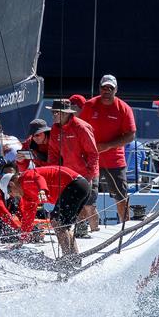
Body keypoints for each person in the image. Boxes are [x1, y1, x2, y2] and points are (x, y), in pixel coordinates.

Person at [80, 74, 136, 222]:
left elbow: (131, 135)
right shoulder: (89, 105)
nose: (107, 91)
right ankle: (83, 228)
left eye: (110, 88)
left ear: (116, 90)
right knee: (85, 194)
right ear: (99, 88)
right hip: (91, 159)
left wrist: (108, 145)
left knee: (121, 195)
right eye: (104, 88)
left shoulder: (124, 108)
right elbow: (79, 129)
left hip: (115, 160)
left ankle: (126, 226)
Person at [1, 165, 90, 257]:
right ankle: (74, 258)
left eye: (10, 192)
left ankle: (67, 259)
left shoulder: (25, 178)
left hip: (76, 184)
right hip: (80, 187)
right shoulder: (27, 197)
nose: (12, 195)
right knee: (64, 226)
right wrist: (21, 241)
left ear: (11, 184)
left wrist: (42, 190)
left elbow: (39, 178)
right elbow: (28, 220)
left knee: (57, 222)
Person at [45, 100, 100, 235]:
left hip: (87, 172)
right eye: (52, 112)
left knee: (89, 205)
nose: (53, 115)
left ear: (65, 113)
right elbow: (53, 153)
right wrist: (51, 173)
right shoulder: (55, 129)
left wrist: (89, 175)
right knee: (77, 203)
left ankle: (95, 231)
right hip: (69, 173)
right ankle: (81, 230)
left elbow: (93, 153)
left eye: (56, 112)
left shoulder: (81, 127)